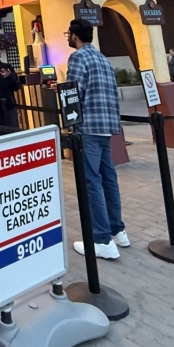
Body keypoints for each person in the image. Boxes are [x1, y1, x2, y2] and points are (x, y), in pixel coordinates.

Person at [64, 19, 128, 260]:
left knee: (92, 182)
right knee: (109, 178)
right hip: (107, 125)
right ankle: (118, 230)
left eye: (68, 34)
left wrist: (68, 123)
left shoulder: (79, 58)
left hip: (89, 126)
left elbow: (73, 92)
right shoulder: (102, 58)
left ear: (74, 36)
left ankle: (102, 239)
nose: (68, 38)